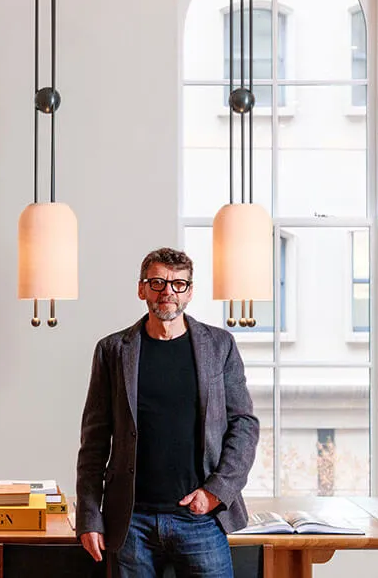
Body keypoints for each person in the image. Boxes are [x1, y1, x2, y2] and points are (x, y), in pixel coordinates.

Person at [76, 247, 259, 577]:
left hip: (200, 519)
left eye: (178, 284)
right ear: (141, 288)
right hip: (131, 523)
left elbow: (244, 424)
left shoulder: (220, 346)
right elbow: (94, 442)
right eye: (157, 282)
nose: (167, 293)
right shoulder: (113, 351)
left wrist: (216, 492)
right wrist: (89, 516)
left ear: (189, 292)